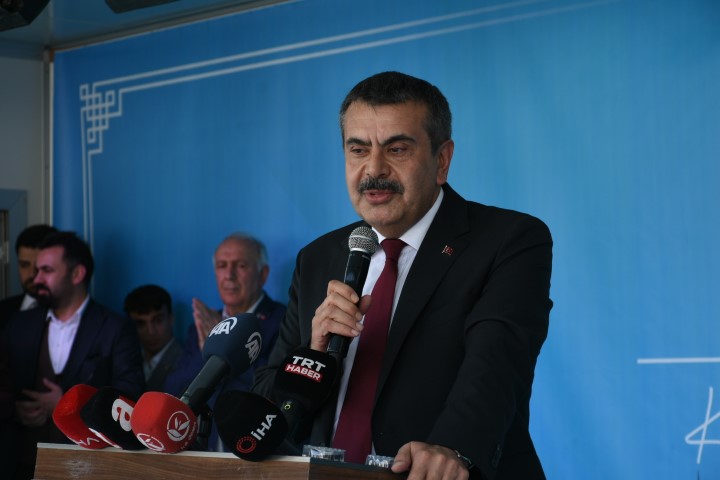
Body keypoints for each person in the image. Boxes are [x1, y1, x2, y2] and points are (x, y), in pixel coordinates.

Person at [253, 71, 553, 480]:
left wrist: (452, 447)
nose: (374, 169)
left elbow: (496, 367)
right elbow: (272, 410)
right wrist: (312, 353)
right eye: (358, 150)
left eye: (396, 149)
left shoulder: (508, 240)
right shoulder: (318, 258)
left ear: (441, 160)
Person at [2, 231, 144, 479]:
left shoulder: (115, 328)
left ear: (77, 274)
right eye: (36, 270)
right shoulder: (18, 324)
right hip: (19, 464)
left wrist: (69, 404)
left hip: (87, 467)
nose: (36, 278)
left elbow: (130, 393)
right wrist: (14, 409)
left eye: (47, 270)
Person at [164, 232, 286, 450]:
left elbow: (274, 393)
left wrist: (226, 353)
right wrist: (209, 351)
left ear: (263, 274)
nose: (229, 275)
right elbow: (174, 388)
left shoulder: (283, 322)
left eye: (241, 265)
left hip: (254, 447)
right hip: (204, 449)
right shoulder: (202, 325)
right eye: (222, 265)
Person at [123, 284, 185, 392]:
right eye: (141, 324)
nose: (151, 332)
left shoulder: (186, 363)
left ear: (171, 319)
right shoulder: (126, 360)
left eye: (158, 320)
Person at [0, 224, 58, 328]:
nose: (32, 274)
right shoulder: (3, 311)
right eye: (24, 265)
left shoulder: (70, 314)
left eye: (42, 266)